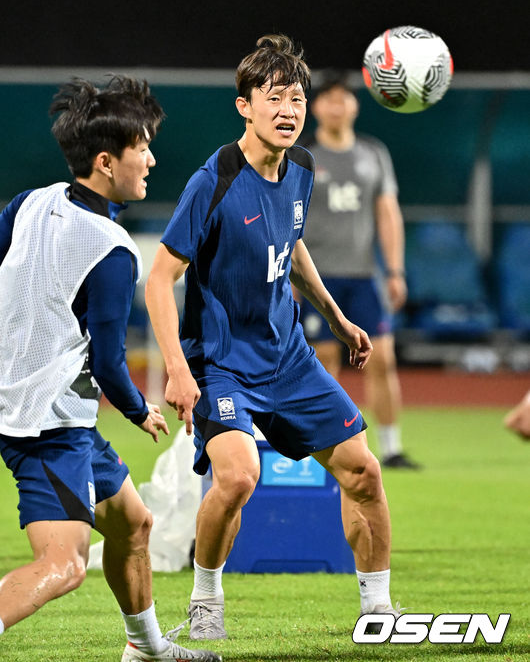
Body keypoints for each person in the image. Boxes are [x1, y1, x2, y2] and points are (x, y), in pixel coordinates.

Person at [145, 35, 401, 641]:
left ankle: (379, 611)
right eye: (273, 97)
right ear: (245, 106)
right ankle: (206, 598)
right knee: (236, 476)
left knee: (364, 472)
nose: (288, 109)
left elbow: (291, 244)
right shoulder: (214, 180)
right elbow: (160, 280)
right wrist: (178, 371)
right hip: (221, 363)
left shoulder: (302, 169)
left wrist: (335, 316)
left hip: (288, 358)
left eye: (296, 97)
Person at [0, 76, 220, 662]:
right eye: (141, 147)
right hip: (43, 427)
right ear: (105, 161)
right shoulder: (111, 248)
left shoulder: (28, 202)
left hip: (50, 412)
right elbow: (107, 359)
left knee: (134, 525)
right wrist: (137, 409)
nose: (150, 158)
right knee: (64, 564)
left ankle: (146, 649)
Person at [299, 71, 420, 469]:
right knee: (325, 364)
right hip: (318, 280)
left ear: (355, 105)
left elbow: (388, 213)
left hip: (364, 276)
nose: (337, 105)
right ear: (315, 107)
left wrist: (395, 270)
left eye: (344, 98)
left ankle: (392, 447)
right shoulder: (303, 155)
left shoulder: (373, 153)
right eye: (329, 98)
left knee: (383, 360)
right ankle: (327, 448)